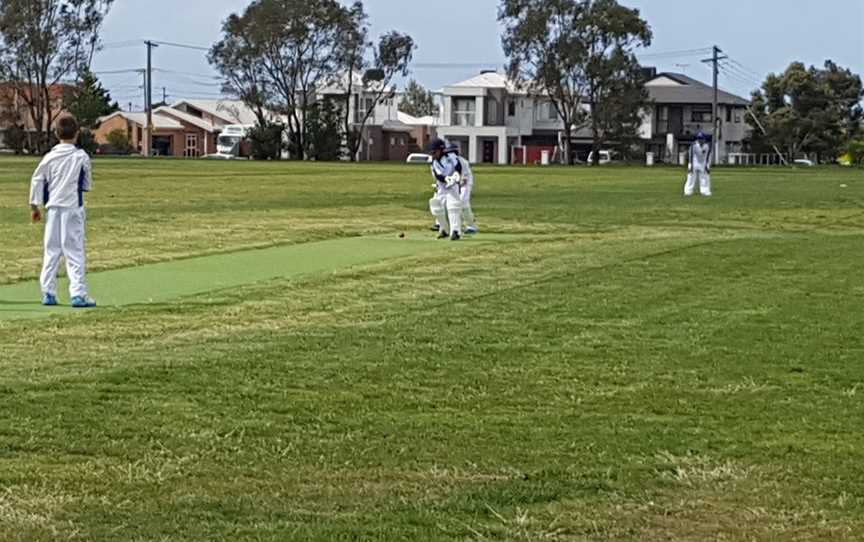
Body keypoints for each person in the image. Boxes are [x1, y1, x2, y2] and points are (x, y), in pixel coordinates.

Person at [29, 115, 97, 308]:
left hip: (53, 209)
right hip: (72, 208)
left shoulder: (49, 157)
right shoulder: (81, 156)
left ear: (56, 133)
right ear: (76, 134)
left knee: (51, 251)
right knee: (74, 251)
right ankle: (78, 294)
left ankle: (48, 292)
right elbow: (86, 183)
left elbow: (37, 179)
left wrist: (35, 205)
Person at [427, 138, 463, 240]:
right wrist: (446, 178)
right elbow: (438, 176)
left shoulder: (450, 156)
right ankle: (444, 229)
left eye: (434, 152)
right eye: (431, 153)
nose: (433, 155)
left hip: (453, 186)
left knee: (453, 207)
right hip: (442, 186)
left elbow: (458, 166)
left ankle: (455, 231)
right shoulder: (434, 163)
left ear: (441, 149)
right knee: (436, 207)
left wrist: (456, 174)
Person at [445, 143, 478, 234]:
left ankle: (471, 225)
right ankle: (456, 225)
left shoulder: (462, 161)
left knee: (463, 202)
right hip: (455, 182)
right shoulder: (447, 162)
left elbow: (464, 177)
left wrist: (460, 182)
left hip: (466, 182)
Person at [684, 131, 712, 197]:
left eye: (701, 138)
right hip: (694, 163)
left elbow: (707, 156)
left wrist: (707, 166)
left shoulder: (707, 146)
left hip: (703, 164)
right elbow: (691, 155)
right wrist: (690, 165)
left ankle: (705, 191)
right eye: (699, 138)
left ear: (704, 139)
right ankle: (688, 191)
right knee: (691, 178)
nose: (700, 140)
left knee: (704, 178)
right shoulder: (693, 145)